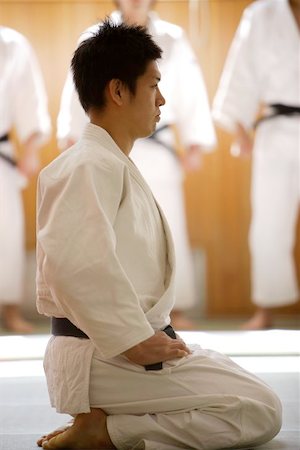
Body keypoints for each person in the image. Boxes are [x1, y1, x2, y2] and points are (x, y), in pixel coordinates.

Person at [36, 19, 281, 450]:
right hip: (104, 355)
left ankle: (105, 422)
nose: (162, 99)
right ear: (117, 91)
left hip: (120, 347)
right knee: (261, 410)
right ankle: (107, 432)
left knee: (239, 384)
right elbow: (74, 264)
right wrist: (132, 340)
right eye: (153, 86)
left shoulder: (107, 162)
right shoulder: (87, 164)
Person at [56, 0, 217, 330]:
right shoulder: (95, 35)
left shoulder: (172, 37)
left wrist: (194, 141)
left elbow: (190, 90)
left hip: (160, 144)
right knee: (115, 228)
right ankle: (124, 310)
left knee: (167, 224)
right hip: (112, 142)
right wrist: (72, 136)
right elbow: (80, 88)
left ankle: (175, 307)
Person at [213, 0, 300, 330]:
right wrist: (240, 129)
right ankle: (266, 310)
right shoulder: (261, 14)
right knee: (268, 223)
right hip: (276, 129)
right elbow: (241, 71)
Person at [0, 26, 51, 333]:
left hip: (2, 150)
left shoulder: (12, 44)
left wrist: (30, 149)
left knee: (7, 230)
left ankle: (10, 309)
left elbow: (29, 97)